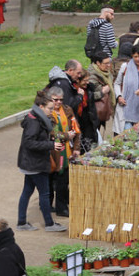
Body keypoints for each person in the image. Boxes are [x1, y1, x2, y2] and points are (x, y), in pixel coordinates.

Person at [16, 90, 68, 232]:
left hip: (31, 163)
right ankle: (49, 224)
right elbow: (29, 143)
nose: (52, 111)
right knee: (44, 194)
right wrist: (51, 145)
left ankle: (22, 222)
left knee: (27, 191)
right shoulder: (34, 122)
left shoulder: (35, 118)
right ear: (41, 107)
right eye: (49, 109)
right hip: (35, 164)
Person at [47, 86, 80, 217]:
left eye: (61, 99)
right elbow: (53, 133)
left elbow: (76, 129)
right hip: (53, 152)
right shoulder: (48, 113)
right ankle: (48, 206)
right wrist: (67, 136)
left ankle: (61, 207)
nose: (58, 102)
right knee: (50, 181)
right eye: (55, 100)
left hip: (67, 151)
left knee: (63, 181)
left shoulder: (67, 110)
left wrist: (76, 148)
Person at [88, 51, 116, 139]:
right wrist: (102, 92)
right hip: (95, 113)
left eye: (109, 62)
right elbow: (89, 96)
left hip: (102, 111)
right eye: (106, 63)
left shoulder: (106, 73)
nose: (109, 65)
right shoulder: (91, 77)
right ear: (98, 63)